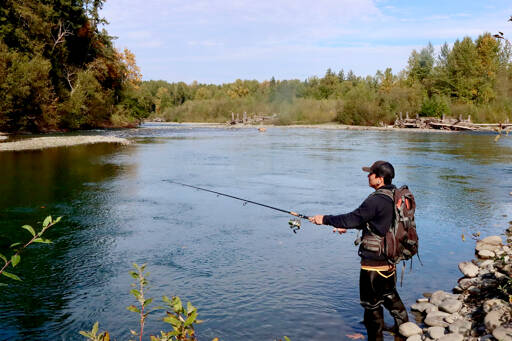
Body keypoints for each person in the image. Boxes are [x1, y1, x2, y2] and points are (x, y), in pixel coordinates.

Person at [309, 160, 409, 341]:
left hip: (373, 264)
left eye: (371, 173)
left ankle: (375, 337)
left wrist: (324, 219)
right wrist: (353, 226)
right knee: (388, 294)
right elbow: (379, 222)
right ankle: (404, 327)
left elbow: (352, 218)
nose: (367, 176)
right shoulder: (395, 195)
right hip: (389, 259)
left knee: (371, 305)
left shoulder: (376, 199)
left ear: (379, 178)